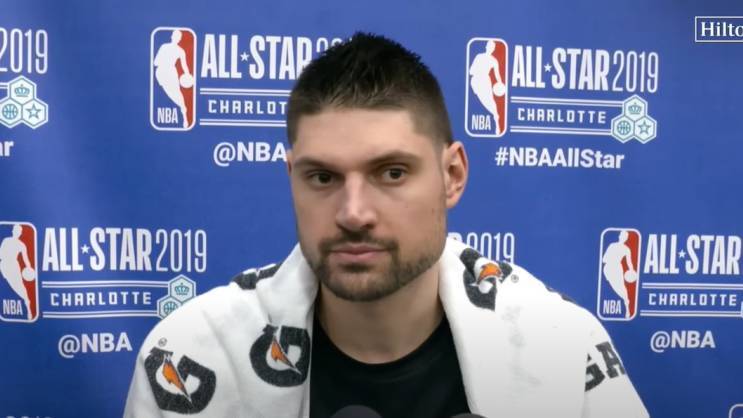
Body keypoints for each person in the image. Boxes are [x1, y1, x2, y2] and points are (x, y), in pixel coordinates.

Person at [124, 33, 648, 418]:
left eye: (392, 173)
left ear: (452, 176)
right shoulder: (194, 352)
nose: (354, 213)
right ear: (292, 179)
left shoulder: (561, 347)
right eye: (322, 177)